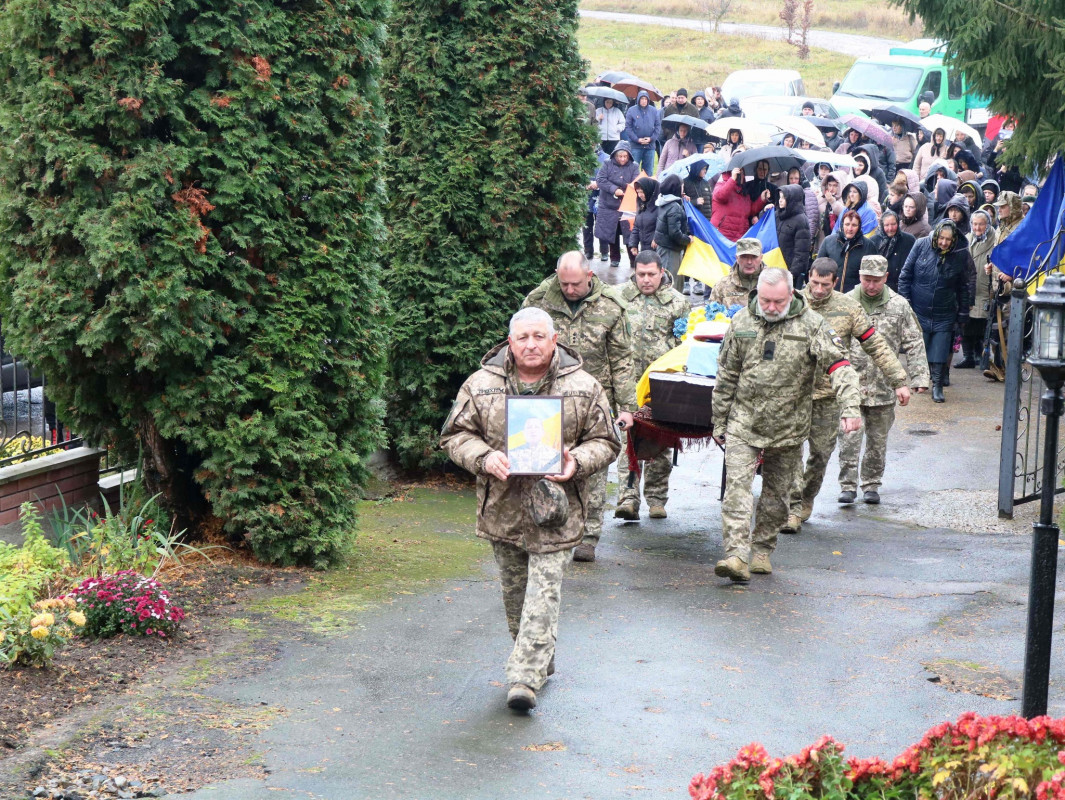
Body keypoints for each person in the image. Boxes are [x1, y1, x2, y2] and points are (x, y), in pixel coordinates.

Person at [440, 307, 621, 712]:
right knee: (516, 601)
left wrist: (577, 460)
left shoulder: (583, 386)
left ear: (554, 340)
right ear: (510, 342)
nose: (531, 344)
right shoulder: (481, 385)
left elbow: (607, 441)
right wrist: (485, 458)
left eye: (539, 336)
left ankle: (524, 677)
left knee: (544, 593)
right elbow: (455, 436)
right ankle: (541, 657)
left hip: (557, 512)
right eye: (522, 337)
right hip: (502, 510)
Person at [711, 268, 861, 581]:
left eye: (778, 301)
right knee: (737, 489)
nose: (771, 307)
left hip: (789, 426)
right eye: (765, 301)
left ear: (791, 295)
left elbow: (841, 366)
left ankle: (762, 549)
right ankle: (736, 555)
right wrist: (719, 420)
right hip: (744, 421)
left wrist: (850, 406)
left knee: (776, 496)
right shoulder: (741, 322)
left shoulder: (812, 325)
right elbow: (726, 375)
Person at [523, 253, 637, 562]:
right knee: (547, 464)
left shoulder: (611, 305)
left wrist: (627, 407)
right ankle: (550, 525)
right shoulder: (539, 300)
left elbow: (623, 360)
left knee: (593, 468)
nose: (570, 290)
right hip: (550, 398)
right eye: (564, 283)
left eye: (576, 284)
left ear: (589, 275)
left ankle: (588, 535)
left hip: (594, 401)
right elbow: (521, 348)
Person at [782, 257, 909, 530]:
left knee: (820, 455)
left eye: (824, 285)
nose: (818, 290)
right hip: (794, 393)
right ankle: (792, 508)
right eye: (814, 283)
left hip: (828, 395)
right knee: (791, 453)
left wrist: (899, 379)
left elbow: (876, 345)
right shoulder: (791, 303)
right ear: (808, 278)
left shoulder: (848, 308)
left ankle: (805, 500)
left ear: (835, 282)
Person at [837, 256, 930, 504]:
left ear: (886, 278)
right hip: (851, 386)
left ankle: (871, 484)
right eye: (867, 280)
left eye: (876, 281)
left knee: (877, 442)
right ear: (860, 277)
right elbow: (831, 344)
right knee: (848, 440)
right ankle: (847, 485)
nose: (871, 286)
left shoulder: (899, 306)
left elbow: (913, 341)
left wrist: (919, 376)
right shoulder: (845, 303)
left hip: (883, 386)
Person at [615, 252, 690, 521]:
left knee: (661, 438)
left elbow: (685, 344)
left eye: (651, 274)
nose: (646, 280)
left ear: (662, 272)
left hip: (663, 384)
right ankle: (627, 497)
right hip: (628, 381)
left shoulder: (678, 303)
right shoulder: (619, 297)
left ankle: (657, 499)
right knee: (628, 439)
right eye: (641, 274)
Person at [898, 219, 972, 403]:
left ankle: (937, 385)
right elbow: (905, 276)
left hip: (945, 309)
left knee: (940, 348)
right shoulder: (921, 245)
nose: (944, 242)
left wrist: (963, 311)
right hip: (919, 307)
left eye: (948, 239)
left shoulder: (960, 254)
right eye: (941, 238)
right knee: (920, 347)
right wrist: (906, 304)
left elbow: (964, 285)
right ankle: (921, 380)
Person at [960, 209, 1000, 370]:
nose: (977, 228)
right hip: (968, 287)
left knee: (982, 323)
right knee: (966, 323)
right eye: (975, 224)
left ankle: (980, 354)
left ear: (988, 224)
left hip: (985, 288)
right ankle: (968, 356)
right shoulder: (966, 239)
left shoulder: (994, 240)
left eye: (981, 224)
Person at [592, 141, 639, 269]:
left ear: (629, 156)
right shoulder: (607, 163)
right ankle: (614, 258)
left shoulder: (634, 166)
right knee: (611, 232)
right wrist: (614, 189)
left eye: (625, 156)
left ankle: (633, 259)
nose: (622, 159)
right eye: (620, 156)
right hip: (609, 204)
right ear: (615, 155)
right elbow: (600, 180)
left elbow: (636, 182)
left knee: (629, 233)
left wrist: (624, 191)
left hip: (627, 204)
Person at [652, 174, 691, 289]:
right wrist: (688, 239)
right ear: (676, 188)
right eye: (682, 187)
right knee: (671, 283)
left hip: (663, 247)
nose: (683, 190)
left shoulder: (663, 202)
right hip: (671, 250)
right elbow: (674, 233)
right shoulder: (674, 207)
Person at [819, 210, 872, 293]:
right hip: (831, 293)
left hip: (855, 296)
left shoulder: (868, 245)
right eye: (847, 224)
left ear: (859, 227)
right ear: (842, 225)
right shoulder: (828, 241)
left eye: (854, 225)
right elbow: (819, 268)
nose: (850, 229)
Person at [712, 167, 768, 242]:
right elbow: (720, 196)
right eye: (739, 173)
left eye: (742, 173)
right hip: (722, 235)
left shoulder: (743, 192)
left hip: (740, 236)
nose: (742, 176)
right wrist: (732, 180)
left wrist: (761, 199)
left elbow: (749, 211)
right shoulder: (722, 184)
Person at [868, 209, 916, 291]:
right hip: (880, 288)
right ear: (882, 225)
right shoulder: (873, 241)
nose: (890, 228)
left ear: (898, 223)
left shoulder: (909, 240)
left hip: (902, 287)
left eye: (893, 224)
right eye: (887, 225)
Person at [709, 238, 764, 308]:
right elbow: (712, 314)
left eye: (754, 257)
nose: (749, 262)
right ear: (737, 258)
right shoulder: (722, 286)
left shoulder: (774, 283)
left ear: (761, 257)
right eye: (744, 257)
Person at [777, 184, 812, 289]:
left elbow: (801, 253)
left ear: (792, 199)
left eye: (784, 197)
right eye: (779, 197)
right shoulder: (778, 215)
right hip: (776, 266)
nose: (780, 200)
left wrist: (792, 273)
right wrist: (764, 211)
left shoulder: (801, 220)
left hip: (789, 272)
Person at [623, 91, 661, 176]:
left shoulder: (654, 111)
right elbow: (628, 128)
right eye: (642, 99)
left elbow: (658, 126)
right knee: (633, 171)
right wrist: (637, 139)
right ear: (638, 99)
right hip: (635, 146)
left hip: (650, 146)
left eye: (645, 99)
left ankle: (647, 189)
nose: (643, 101)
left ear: (648, 100)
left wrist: (651, 139)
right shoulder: (631, 110)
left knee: (648, 172)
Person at [627, 177, 660, 258]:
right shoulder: (641, 204)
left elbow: (663, 226)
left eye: (642, 192)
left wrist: (657, 238)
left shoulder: (659, 206)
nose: (640, 195)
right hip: (644, 247)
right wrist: (633, 244)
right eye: (638, 192)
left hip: (656, 248)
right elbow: (636, 226)